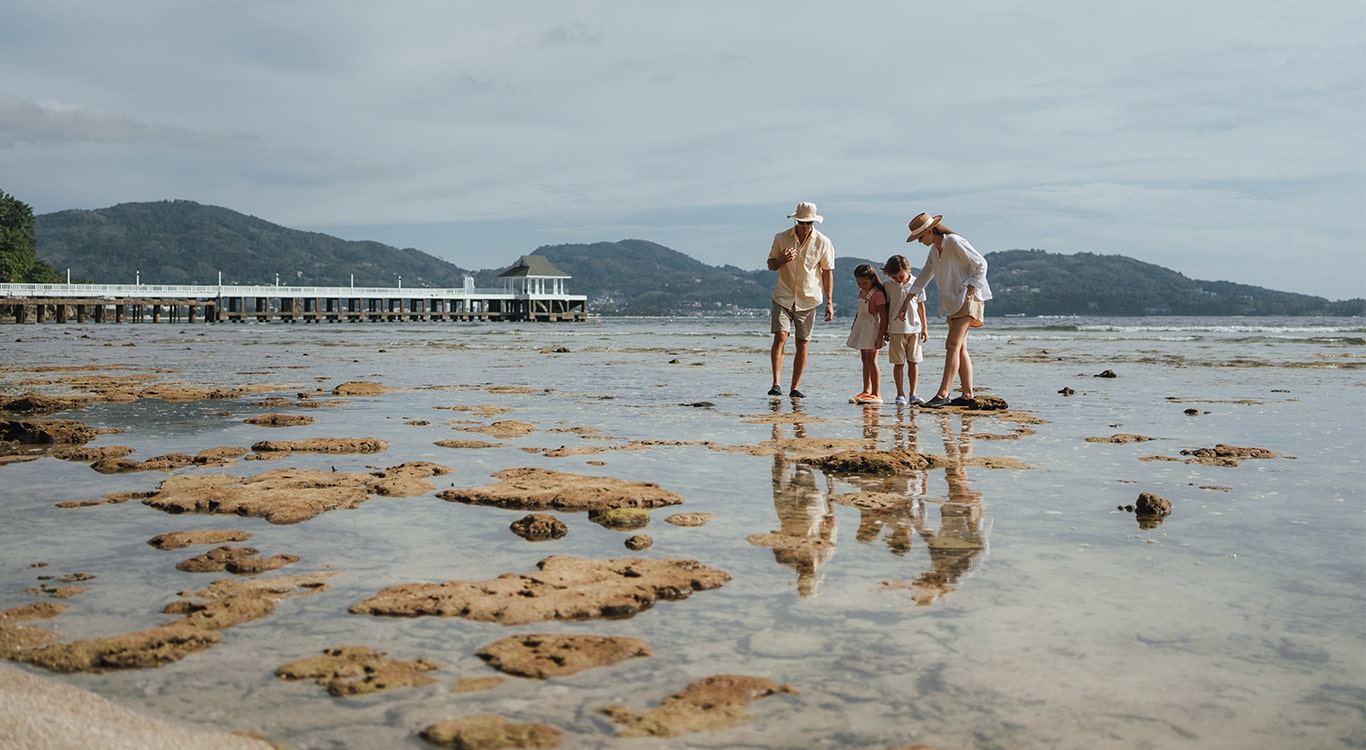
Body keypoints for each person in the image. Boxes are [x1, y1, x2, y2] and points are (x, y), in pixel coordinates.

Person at [904, 212, 992, 408]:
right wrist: (907, 301)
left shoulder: (953, 241)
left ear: (929, 230)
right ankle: (967, 394)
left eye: (920, 237)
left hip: (968, 299)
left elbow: (981, 263)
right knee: (959, 347)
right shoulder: (935, 251)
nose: (920, 242)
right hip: (953, 301)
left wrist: (971, 288)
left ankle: (943, 393)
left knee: (952, 344)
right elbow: (924, 276)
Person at [767, 202, 835, 399]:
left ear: (814, 221)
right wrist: (780, 261)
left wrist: (830, 302)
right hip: (783, 295)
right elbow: (771, 264)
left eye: (809, 222)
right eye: (802, 222)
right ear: (796, 220)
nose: (806, 226)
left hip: (809, 297)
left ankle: (794, 387)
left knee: (802, 343)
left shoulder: (823, 242)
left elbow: (827, 273)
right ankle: (776, 383)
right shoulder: (781, 238)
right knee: (780, 336)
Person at [882, 254, 928, 406]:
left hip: (914, 328)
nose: (899, 279)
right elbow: (886, 308)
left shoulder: (917, 283)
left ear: (907, 270)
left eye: (901, 276)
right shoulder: (888, 285)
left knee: (914, 362)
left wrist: (924, 327)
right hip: (895, 329)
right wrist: (885, 329)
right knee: (898, 363)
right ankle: (900, 394)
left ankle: (913, 393)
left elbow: (921, 305)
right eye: (895, 277)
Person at [845, 264, 888, 404]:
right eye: (859, 283)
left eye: (864, 283)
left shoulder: (877, 294)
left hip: (872, 329)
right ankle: (866, 390)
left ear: (873, 279)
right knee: (864, 359)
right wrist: (854, 324)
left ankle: (876, 393)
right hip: (862, 327)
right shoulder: (861, 292)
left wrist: (881, 335)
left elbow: (883, 317)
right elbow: (859, 311)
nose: (862, 286)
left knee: (872, 360)